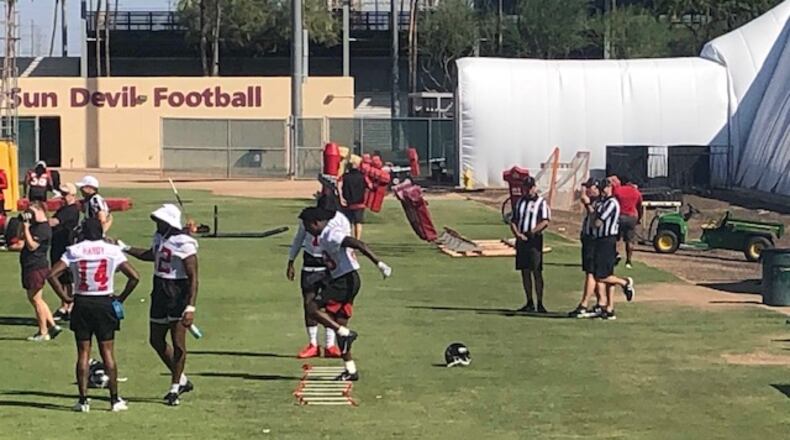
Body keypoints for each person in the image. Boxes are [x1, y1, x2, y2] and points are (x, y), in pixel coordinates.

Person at [47, 218, 140, 413]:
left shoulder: (75, 250)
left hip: (82, 301)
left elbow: (52, 274)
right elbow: (134, 276)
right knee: (108, 353)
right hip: (104, 301)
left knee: (83, 353)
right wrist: (121, 297)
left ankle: (83, 401)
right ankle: (114, 400)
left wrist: (65, 296)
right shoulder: (111, 250)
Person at [298, 206, 392, 381]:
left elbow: (359, 244)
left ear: (316, 223)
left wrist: (379, 263)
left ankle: (343, 333)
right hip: (344, 280)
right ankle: (351, 370)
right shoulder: (323, 235)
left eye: (307, 226)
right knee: (340, 323)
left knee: (312, 308)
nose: (307, 231)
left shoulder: (331, 234)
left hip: (345, 280)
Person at [120, 204, 198, 406]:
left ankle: (174, 388)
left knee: (178, 342)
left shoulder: (185, 243)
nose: (157, 223)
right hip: (159, 291)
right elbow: (151, 255)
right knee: (156, 340)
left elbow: (193, 277)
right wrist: (125, 248)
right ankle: (181, 379)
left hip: (177, 292)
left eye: (160, 221)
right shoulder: (160, 237)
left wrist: (190, 307)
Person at [287, 200, 341, 359]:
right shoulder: (308, 222)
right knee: (309, 304)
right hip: (310, 266)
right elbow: (298, 239)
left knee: (330, 306)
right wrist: (291, 261)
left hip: (328, 267)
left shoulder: (336, 223)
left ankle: (330, 345)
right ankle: (313, 344)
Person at [8, 201, 62, 341]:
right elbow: (19, 237)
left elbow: (32, 246)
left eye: (31, 212)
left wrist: (27, 228)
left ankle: (43, 332)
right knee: (36, 299)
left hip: (36, 266)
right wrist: (23, 224)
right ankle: (52, 325)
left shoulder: (43, 229)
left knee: (36, 299)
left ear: (39, 211)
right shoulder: (34, 226)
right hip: (30, 265)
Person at [590, 179, 636, 320]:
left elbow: (597, 222)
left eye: (604, 187)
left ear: (610, 188)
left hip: (607, 241)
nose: (602, 190)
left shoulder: (612, 203)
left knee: (601, 275)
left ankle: (625, 282)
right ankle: (608, 308)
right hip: (599, 241)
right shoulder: (602, 202)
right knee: (605, 274)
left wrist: (592, 217)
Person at [510, 176, 551, 313]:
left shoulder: (541, 202)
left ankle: (540, 302)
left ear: (534, 187)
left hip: (534, 240)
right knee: (524, 271)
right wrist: (517, 234)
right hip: (522, 240)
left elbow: (545, 221)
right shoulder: (520, 202)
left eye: (530, 187)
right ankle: (529, 302)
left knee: (536, 271)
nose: (527, 190)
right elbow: (513, 220)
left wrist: (532, 232)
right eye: (525, 188)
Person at [568, 179, 605, 318]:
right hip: (588, 239)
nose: (588, 190)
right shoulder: (594, 201)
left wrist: (587, 203)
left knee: (592, 272)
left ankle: (584, 304)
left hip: (595, 240)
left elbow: (596, 218)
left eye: (590, 187)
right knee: (594, 273)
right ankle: (601, 302)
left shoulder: (599, 202)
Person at [50, 183, 81, 322]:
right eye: (62, 194)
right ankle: (65, 305)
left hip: (65, 246)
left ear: (73, 195)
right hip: (58, 244)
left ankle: (69, 305)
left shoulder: (70, 210)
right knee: (62, 278)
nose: (62, 197)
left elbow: (54, 222)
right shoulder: (64, 208)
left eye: (65, 194)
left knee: (66, 278)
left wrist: (38, 221)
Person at [612, 175, 643, 269]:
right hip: (631, 217)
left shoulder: (617, 190)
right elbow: (639, 207)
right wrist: (639, 219)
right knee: (629, 240)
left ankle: (616, 254)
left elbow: (613, 203)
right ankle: (628, 261)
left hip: (619, 216)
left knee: (616, 238)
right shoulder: (637, 192)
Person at [341, 161, 367, 239]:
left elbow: (340, 186)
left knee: (348, 222)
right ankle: (357, 239)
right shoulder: (362, 176)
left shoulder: (345, 176)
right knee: (358, 222)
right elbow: (369, 187)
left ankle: (349, 238)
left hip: (349, 203)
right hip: (360, 202)